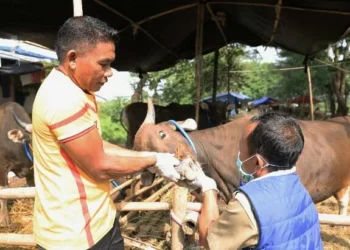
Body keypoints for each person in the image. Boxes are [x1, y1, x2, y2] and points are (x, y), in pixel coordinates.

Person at [32, 16, 182, 250]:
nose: (110, 72)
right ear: (72, 58)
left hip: (97, 221)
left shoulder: (77, 90)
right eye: (104, 63)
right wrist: (152, 160)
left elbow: (96, 145)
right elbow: (100, 166)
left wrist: (146, 157)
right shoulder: (63, 99)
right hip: (75, 237)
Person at [182, 112, 323, 250]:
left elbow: (208, 241)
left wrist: (209, 189)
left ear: (257, 162)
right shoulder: (299, 188)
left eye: (241, 150)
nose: (238, 156)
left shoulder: (248, 204)